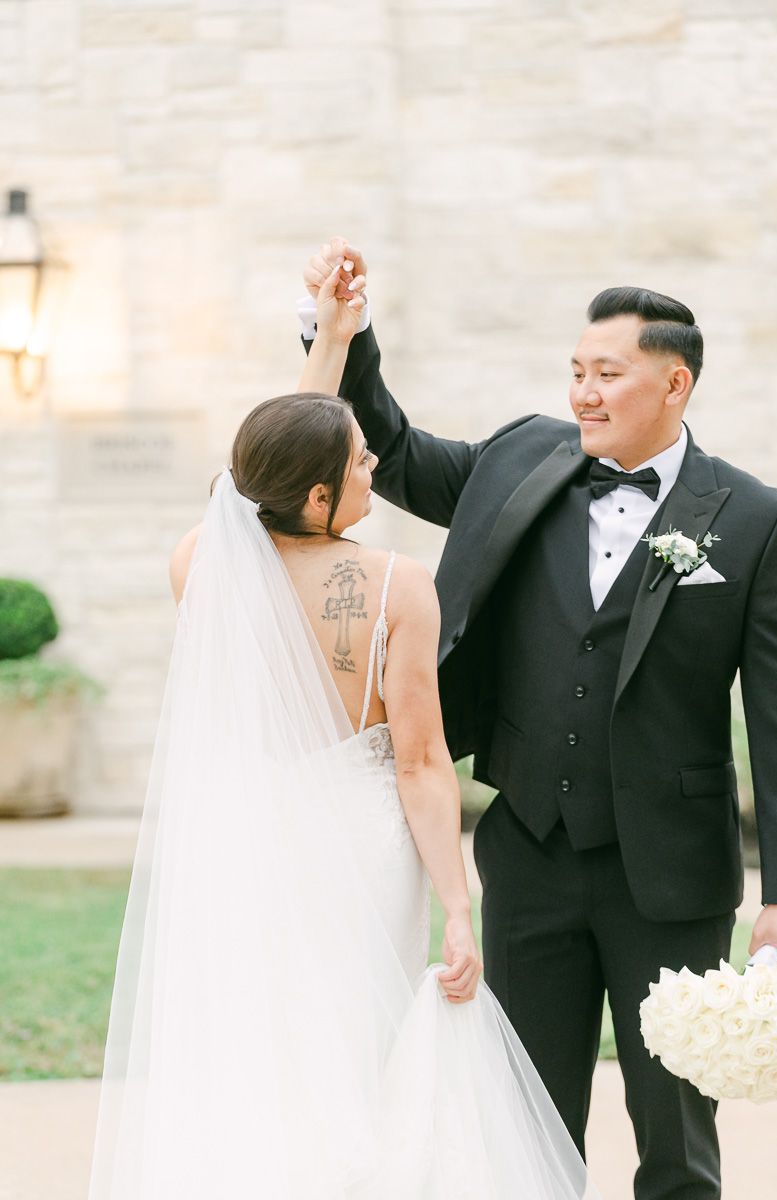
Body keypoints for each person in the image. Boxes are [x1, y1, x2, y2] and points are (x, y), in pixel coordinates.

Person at [299, 238, 777, 1200]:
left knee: (677, 1142)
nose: (583, 393)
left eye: (607, 374)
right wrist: (346, 340)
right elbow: (392, 456)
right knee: (521, 1129)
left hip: (671, 875)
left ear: (674, 383)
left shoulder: (756, 520)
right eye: (575, 372)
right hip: (527, 851)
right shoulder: (519, 455)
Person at [86, 264, 600, 1199]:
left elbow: (273, 456)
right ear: (318, 498)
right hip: (363, 852)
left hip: (248, 845)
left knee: (265, 1051)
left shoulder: (200, 564)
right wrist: (457, 905)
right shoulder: (397, 586)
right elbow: (420, 763)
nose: (372, 470)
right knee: (364, 1051)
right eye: (358, 464)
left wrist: (333, 337)